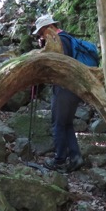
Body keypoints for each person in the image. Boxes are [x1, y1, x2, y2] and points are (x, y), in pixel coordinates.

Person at [32, 14, 85, 173]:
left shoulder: (60, 40)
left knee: (58, 124)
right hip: (73, 87)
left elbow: (59, 64)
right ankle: (75, 157)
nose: (41, 36)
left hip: (64, 88)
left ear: (49, 27)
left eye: (41, 33)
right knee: (66, 123)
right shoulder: (67, 38)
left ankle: (60, 159)